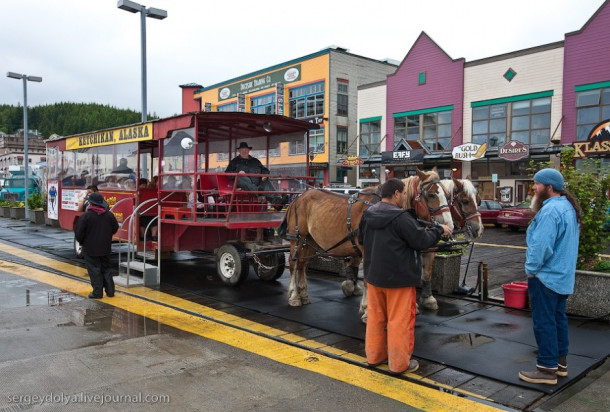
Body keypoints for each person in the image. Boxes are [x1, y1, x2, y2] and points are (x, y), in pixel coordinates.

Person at [357, 178, 452, 375]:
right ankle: (399, 364)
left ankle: (374, 357)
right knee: (399, 322)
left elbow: (361, 239)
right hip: (399, 280)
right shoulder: (400, 218)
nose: (403, 197)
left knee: (376, 319)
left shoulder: (368, 214)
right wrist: (438, 229)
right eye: (402, 193)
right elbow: (421, 240)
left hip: (374, 277)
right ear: (397, 194)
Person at [519, 168, 581, 385]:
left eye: (537, 184)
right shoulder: (568, 208)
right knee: (558, 320)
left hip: (545, 278)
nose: (533, 188)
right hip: (562, 277)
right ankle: (560, 364)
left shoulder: (550, 212)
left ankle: (546, 370)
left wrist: (531, 269)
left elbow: (541, 247)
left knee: (544, 323)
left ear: (549, 187)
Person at [74, 192, 119, 299]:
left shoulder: (86, 216)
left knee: (94, 270)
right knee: (106, 268)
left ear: (91, 203)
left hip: (90, 248)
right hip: (105, 247)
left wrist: (82, 242)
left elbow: (79, 233)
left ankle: (97, 292)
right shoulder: (109, 215)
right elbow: (115, 228)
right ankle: (110, 291)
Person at [225, 141, 288, 211]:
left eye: (245, 149)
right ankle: (259, 192)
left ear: (249, 150)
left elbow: (265, 170)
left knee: (266, 181)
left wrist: (264, 175)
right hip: (242, 185)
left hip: (258, 184)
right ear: (239, 151)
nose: (244, 151)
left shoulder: (255, 161)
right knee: (241, 177)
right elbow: (227, 173)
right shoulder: (234, 162)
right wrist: (237, 172)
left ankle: (277, 202)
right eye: (242, 150)